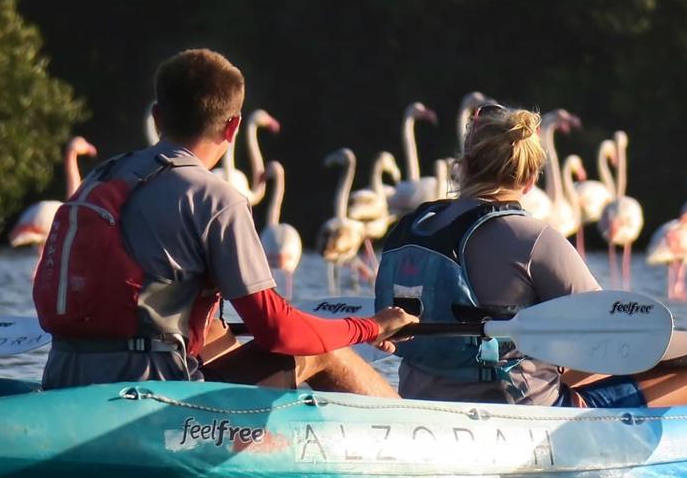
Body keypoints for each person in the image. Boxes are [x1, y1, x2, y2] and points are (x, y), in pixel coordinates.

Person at [36, 48, 415, 395]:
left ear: (157, 116)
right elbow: (278, 330)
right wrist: (370, 327)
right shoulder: (216, 198)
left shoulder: (102, 175)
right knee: (328, 353)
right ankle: (413, 437)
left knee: (215, 334)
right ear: (233, 129)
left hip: (63, 377)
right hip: (151, 392)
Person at [375, 104, 687, 408]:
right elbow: (618, 336)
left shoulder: (413, 225)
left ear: (462, 167)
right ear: (531, 180)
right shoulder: (532, 239)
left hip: (424, 400)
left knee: (581, 360)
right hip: (520, 414)